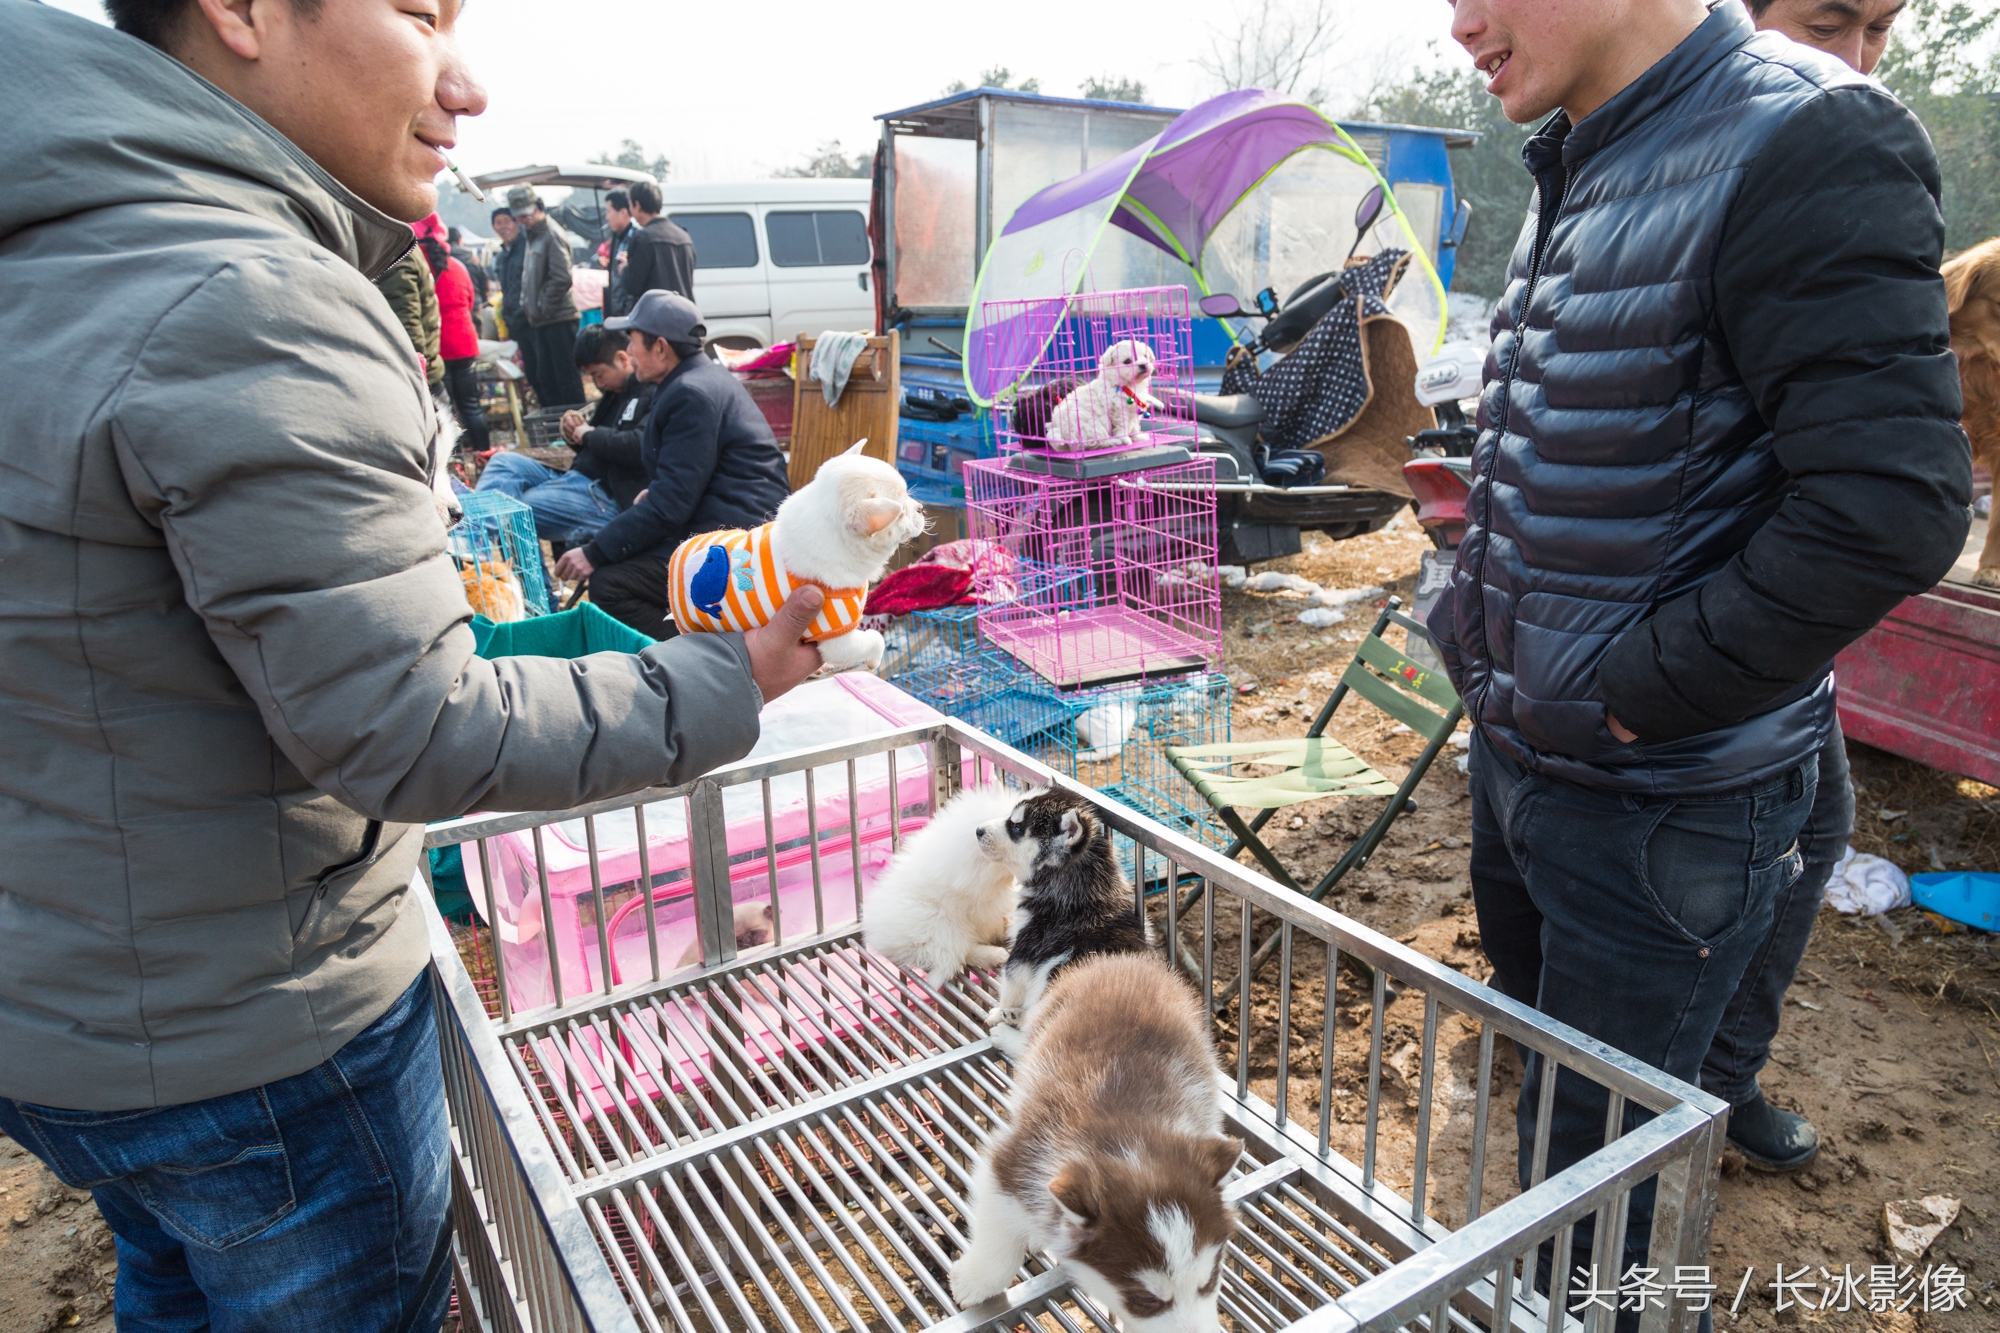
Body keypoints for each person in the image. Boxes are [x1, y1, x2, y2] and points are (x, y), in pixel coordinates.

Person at [0, 3, 826, 1330]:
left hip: (59, 1001)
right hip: (252, 1032)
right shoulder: (244, 297)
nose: (469, 82)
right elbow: (421, 725)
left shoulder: (51, 239)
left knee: (173, 1272)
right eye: (418, 12)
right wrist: (725, 676)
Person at [1434, 0, 1969, 1314]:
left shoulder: (1806, 135)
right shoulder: (1592, 145)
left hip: (1650, 790)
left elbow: (1887, 510)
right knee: (1574, 1090)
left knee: (1591, 1189)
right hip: (1532, 756)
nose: (1459, 24)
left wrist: (1630, 695)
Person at [1690, 0, 1907, 1175]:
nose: (1858, 60)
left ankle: (1718, 1078)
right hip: (1703, 651)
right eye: (1830, 19)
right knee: (1707, 878)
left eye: (1882, 30)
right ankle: (1691, 1084)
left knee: (1815, 829)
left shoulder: (1810, 157)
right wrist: (1659, 677)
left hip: (1761, 641)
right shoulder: (1730, 162)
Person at [554, 291, 790, 639]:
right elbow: (690, 475)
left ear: (661, 347)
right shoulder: (693, 381)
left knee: (610, 584)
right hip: (722, 519)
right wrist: (655, 493)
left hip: (738, 540)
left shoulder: (691, 394)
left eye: (633, 342)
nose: (630, 352)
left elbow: (670, 506)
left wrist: (594, 552)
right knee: (619, 559)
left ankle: (705, 661)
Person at [475, 326, 651, 543]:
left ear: (622, 359)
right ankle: (475, 544)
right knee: (503, 463)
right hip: (576, 475)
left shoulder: (651, 391)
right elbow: (595, 443)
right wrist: (575, 434)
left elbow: (637, 446)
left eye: (599, 374)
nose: (599, 383)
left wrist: (588, 434)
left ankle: (515, 570)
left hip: (604, 493)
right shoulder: (615, 392)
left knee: (518, 510)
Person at [509, 185, 587, 410]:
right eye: (519, 216)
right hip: (543, 319)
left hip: (558, 318)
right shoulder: (532, 236)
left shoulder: (550, 233)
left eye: (526, 213)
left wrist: (542, 306)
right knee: (546, 378)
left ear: (538, 207)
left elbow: (562, 277)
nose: (523, 219)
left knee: (565, 379)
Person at [424, 229, 491, 453]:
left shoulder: (423, 269)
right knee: (471, 405)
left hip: (439, 345)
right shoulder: (458, 267)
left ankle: (458, 459)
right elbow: (471, 300)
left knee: (446, 408)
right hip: (464, 341)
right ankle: (484, 452)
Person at [614, 180, 697, 314]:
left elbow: (632, 285)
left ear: (637, 205)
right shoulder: (684, 236)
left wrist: (624, 269)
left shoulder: (643, 238)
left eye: (630, 205)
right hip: (684, 316)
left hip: (655, 319)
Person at [375, 240, 443, 392]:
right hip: (423, 368)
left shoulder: (396, 254)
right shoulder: (400, 250)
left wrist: (414, 372)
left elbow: (408, 322)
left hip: (418, 375)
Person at [490, 204, 539, 391]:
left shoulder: (527, 248)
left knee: (542, 369)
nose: (503, 226)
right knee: (531, 371)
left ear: (516, 223)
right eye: (498, 223)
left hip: (531, 320)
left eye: (506, 221)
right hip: (516, 323)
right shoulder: (502, 257)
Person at [602, 186, 636, 315]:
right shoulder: (617, 237)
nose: (606, 217)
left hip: (628, 315)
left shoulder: (636, 238)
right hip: (616, 313)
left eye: (609, 211)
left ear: (623, 212)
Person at [447, 222, 489, 308]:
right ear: (459, 240)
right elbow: (484, 281)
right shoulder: (472, 258)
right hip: (475, 304)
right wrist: (483, 300)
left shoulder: (440, 258)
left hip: (450, 306)